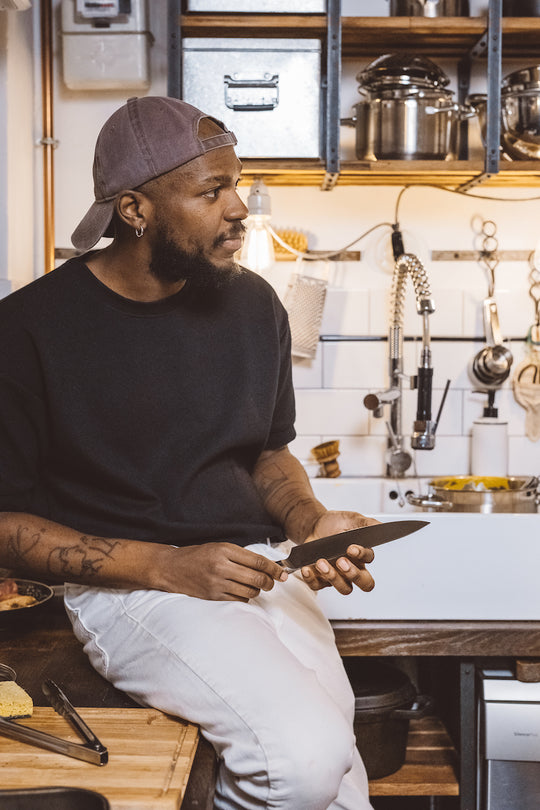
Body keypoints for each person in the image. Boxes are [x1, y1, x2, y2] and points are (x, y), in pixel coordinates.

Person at [0, 96, 378, 810]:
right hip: (133, 589)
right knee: (302, 762)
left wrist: (309, 522)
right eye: (211, 190)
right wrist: (168, 565)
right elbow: (4, 523)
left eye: (236, 182)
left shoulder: (252, 305)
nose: (238, 207)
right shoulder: (27, 330)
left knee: (340, 775)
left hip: (257, 569)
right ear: (136, 209)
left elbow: (266, 453)